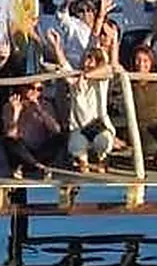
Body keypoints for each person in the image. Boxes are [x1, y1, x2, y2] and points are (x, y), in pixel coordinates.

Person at [47, 33, 115, 173]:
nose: (87, 63)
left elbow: (109, 69)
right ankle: (83, 160)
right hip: (79, 127)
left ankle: (102, 158)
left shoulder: (102, 80)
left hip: (98, 125)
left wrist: (85, 76)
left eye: (91, 60)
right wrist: (57, 47)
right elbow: (64, 65)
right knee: (75, 146)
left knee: (104, 141)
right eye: (87, 59)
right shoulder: (75, 79)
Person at [1, 80, 60, 179]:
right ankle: (25, 166)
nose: (35, 92)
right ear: (23, 88)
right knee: (10, 141)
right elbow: (10, 134)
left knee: (59, 139)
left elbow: (56, 130)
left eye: (39, 89)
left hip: (40, 151)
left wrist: (40, 110)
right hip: (22, 151)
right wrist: (16, 113)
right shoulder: (9, 106)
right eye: (31, 88)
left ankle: (40, 165)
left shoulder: (45, 105)